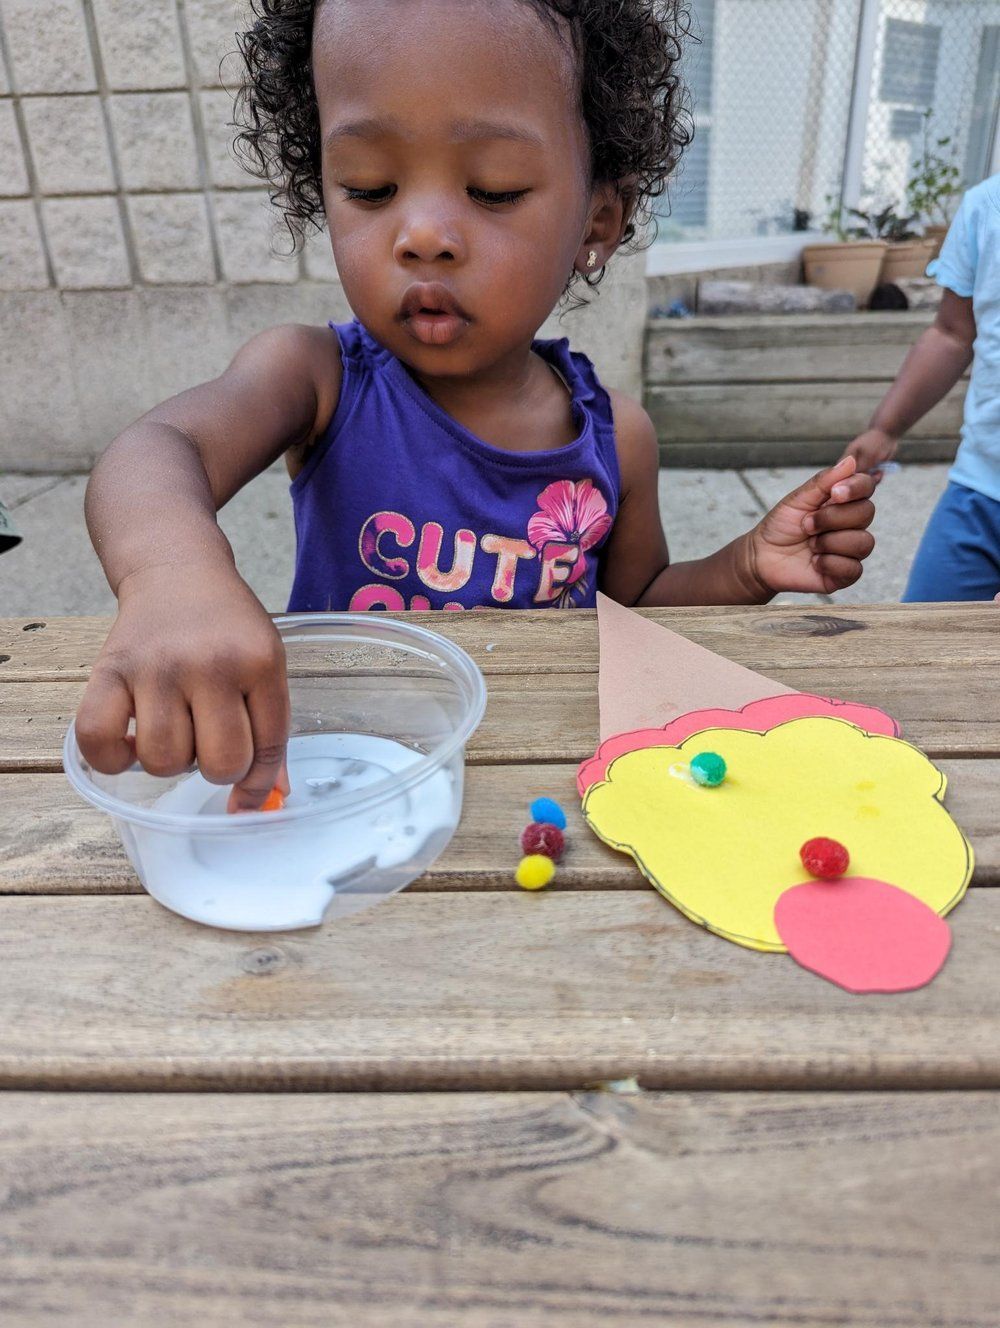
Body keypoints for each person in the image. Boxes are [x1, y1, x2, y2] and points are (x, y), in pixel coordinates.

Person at [76, 0, 876, 810]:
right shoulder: (318, 379)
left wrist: (744, 569)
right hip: (342, 787)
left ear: (598, 219)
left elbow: (630, 610)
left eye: (492, 190)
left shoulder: (613, 438)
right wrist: (172, 576)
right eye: (371, 186)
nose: (423, 233)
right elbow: (157, 448)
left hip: (540, 796)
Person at [843, 173, 999, 601]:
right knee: (922, 635)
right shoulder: (986, 206)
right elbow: (952, 333)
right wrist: (885, 428)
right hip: (981, 488)